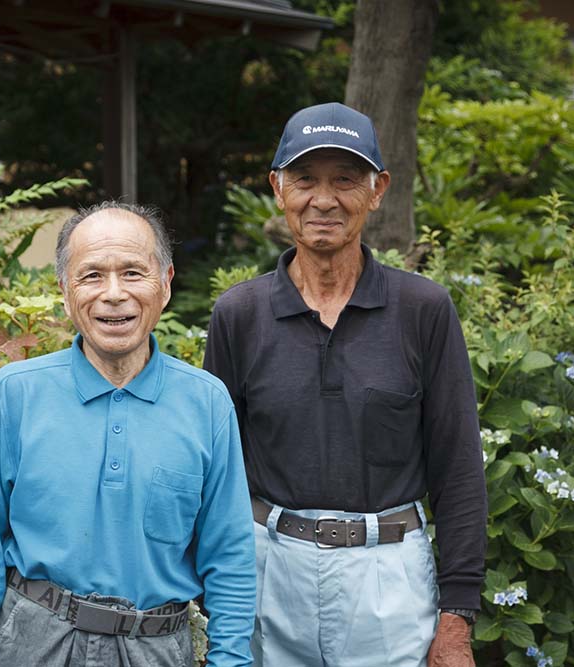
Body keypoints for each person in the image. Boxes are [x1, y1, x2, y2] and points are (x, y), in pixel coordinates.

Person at [203, 102, 487, 667]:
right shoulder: (239, 313)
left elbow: (458, 465)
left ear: (377, 189)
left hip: (390, 579)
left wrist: (457, 619)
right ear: (278, 189)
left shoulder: (423, 309)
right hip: (267, 572)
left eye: (346, 180)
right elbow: (215, 469)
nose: (324, 199)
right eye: (305, 179)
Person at [0, 201, 256, 666]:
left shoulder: (206, 403)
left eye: (132, 273)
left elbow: (229, 556)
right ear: (65, 291)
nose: (113, 294)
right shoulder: (17, 394)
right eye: (91, 276)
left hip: (157, 647)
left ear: (165, 284)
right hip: (36, 642)